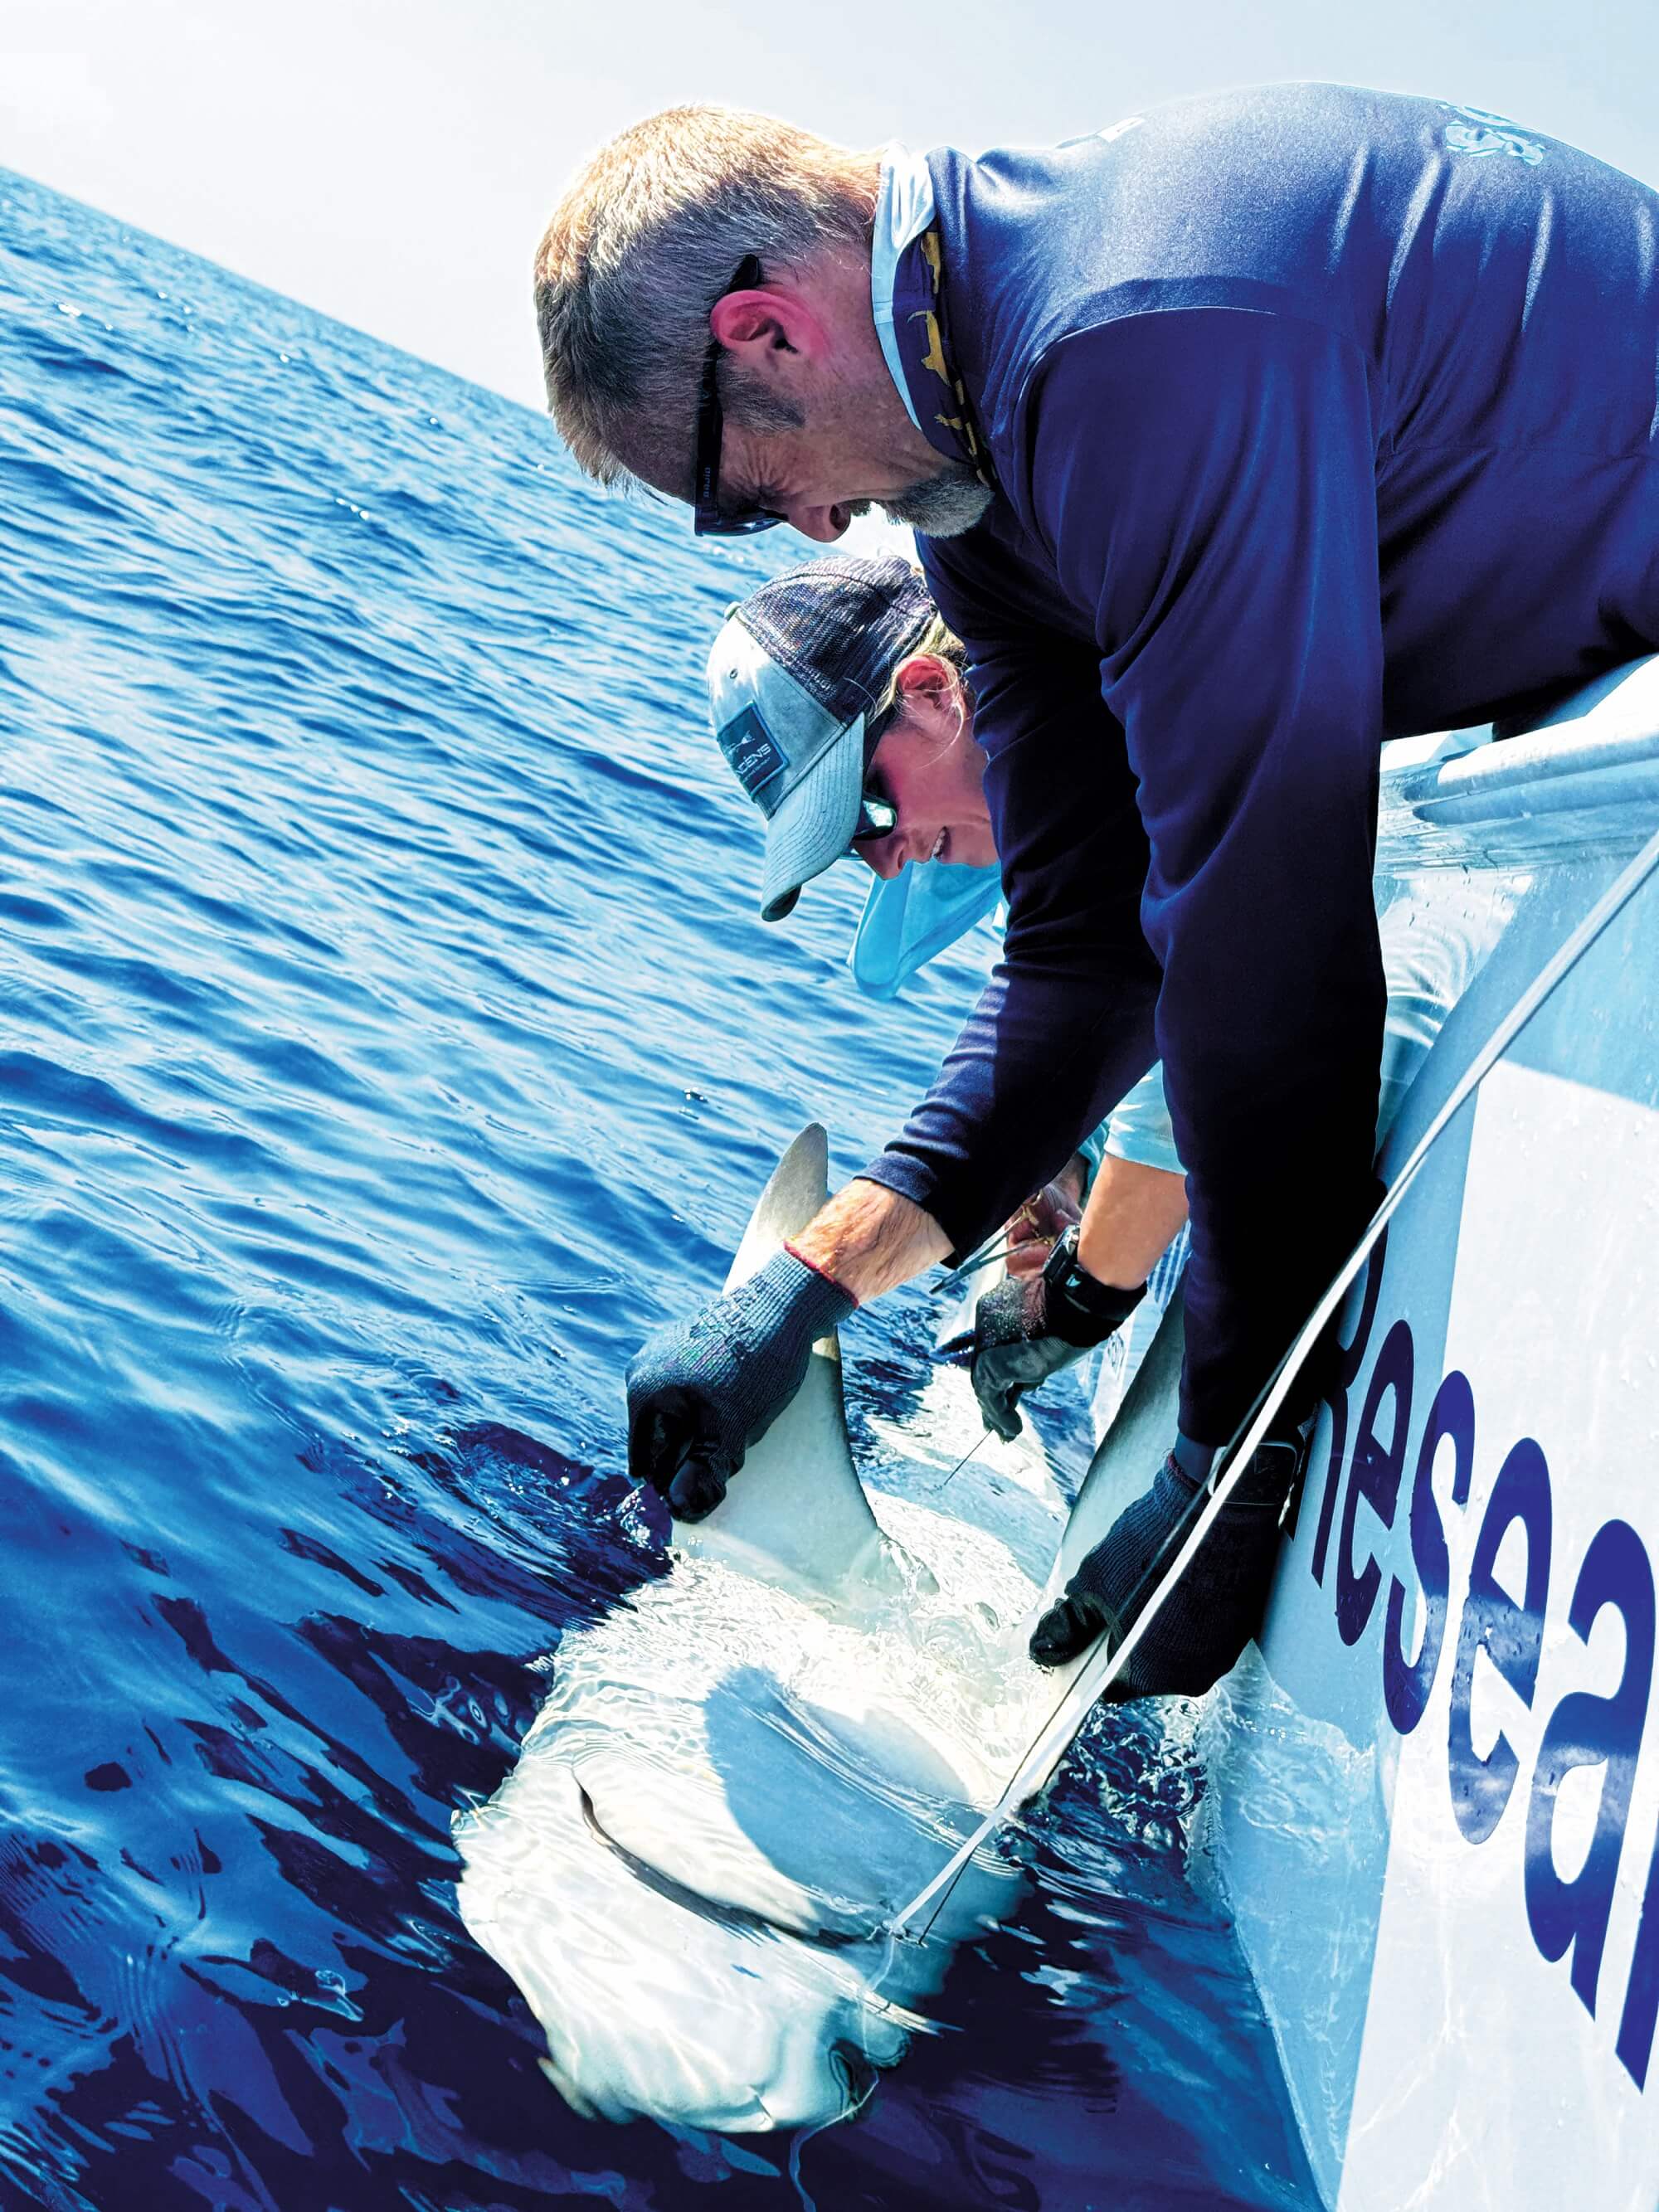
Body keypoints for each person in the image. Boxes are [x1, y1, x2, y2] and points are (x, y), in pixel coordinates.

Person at [537, 86, 1659, 1695]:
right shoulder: (989, 498)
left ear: (766, 330)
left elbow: (1259, 946)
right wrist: (800, 1290)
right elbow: (1087, 963)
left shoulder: (1138, 341)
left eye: (732, 488)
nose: (794, 524)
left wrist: (1234, 1458)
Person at [703, 549, 1190, 1366]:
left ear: (930, 693)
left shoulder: (1135, 727)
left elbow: (1176, 1015)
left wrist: (1081, 1299)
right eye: (847, 846)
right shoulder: (1007, 812)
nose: (888, 861)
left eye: (864, 812)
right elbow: (1079, 1024)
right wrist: (1064, 1169)